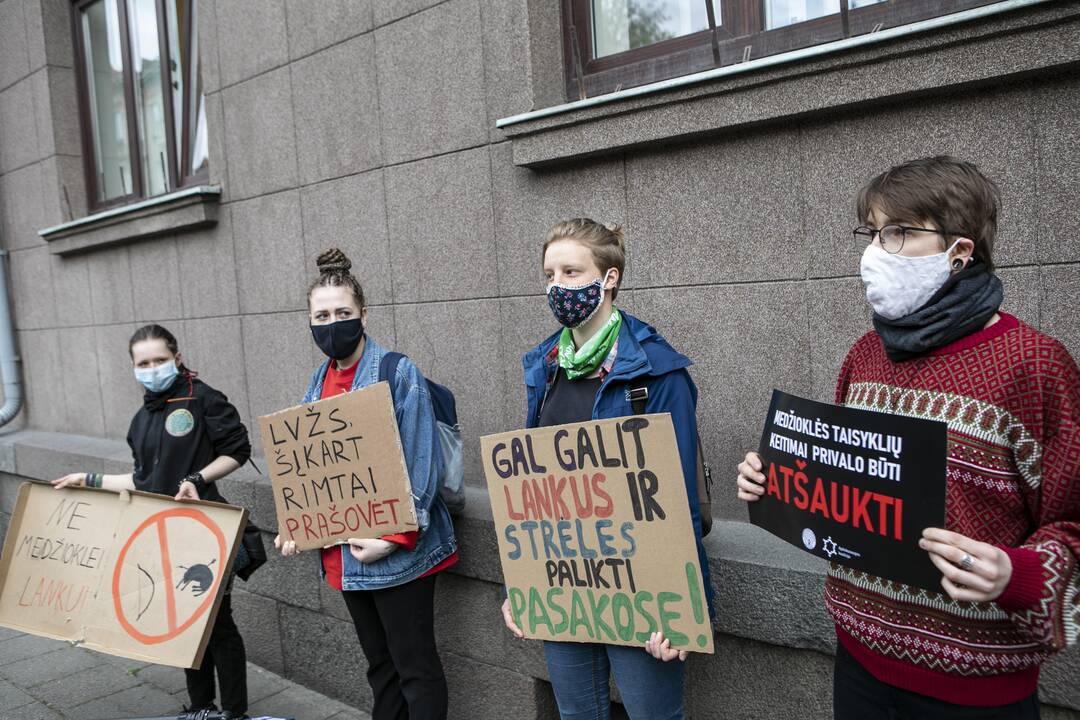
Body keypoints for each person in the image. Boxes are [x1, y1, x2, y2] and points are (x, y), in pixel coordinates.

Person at [737, 156, 1080, 719]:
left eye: (898, 232)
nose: (876, 252)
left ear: (960, 252)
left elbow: (1072, 524)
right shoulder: (865, 355)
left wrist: (1016, 575)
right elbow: (849, 481)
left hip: (975, 689)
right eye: (872, 233)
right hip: (858, 663)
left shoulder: (1035, 366)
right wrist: (778, 480)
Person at [499, 218, 714, 720]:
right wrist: (523, 585)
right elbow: (533, 493)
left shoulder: (659, 374)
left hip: (642, 587)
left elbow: (679, 494)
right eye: (550, 274)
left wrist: (681, 608)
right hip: (564, 582)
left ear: (609, 277)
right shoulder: (545, 368)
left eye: (572, 272)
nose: (558, 286)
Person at [274, 248, 458, 720]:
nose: (331, 323)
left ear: (363, 314)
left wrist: (392, 537)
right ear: (309, 321)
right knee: (381, 669)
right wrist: (299, 525)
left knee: (415, 669)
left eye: (342, 313)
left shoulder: (398, 373)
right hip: (346, 557)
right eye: (321, 315)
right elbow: (314, 471)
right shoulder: (316, 384)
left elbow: (423, 466)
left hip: (399, 554)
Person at [53, 323, 252, 719]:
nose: (153, 367)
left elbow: (238, 450)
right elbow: (143, 480)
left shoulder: (205, 399)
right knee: (183, 624)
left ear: (177, 359)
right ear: (133, 367)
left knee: (218, 624)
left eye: (160, 360)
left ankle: (234, 712)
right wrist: (87, 480)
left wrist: (197, 478)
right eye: (143, 363)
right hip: (164, 534)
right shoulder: (140, 420)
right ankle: (200, 707)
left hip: (208, 529)